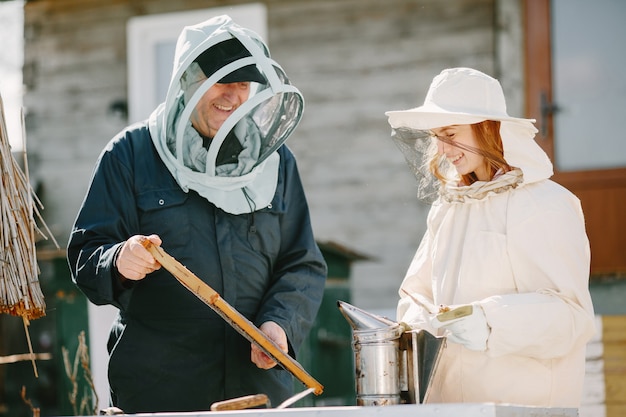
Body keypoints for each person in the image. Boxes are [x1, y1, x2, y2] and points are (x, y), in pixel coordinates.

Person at [67, 15, 327, 413]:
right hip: (161, 392)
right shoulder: (130, 155)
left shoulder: (275, 162)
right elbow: (87, 256)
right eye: (222, 81)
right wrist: (120, 259)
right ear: (188, 80)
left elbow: (301, 263)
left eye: (244, 84)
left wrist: (280, 325)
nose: (233, 96)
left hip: (259, 392)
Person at [385, 67, 595, 407]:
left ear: (487, 128)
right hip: (451, 406)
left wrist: (491, 320)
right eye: (437, 136)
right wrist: (421, 320)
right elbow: (415, 293)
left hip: (523, 407)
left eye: (451, 133)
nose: (442, 149)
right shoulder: (448, 208)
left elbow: (572, 316)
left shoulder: (546, 204)